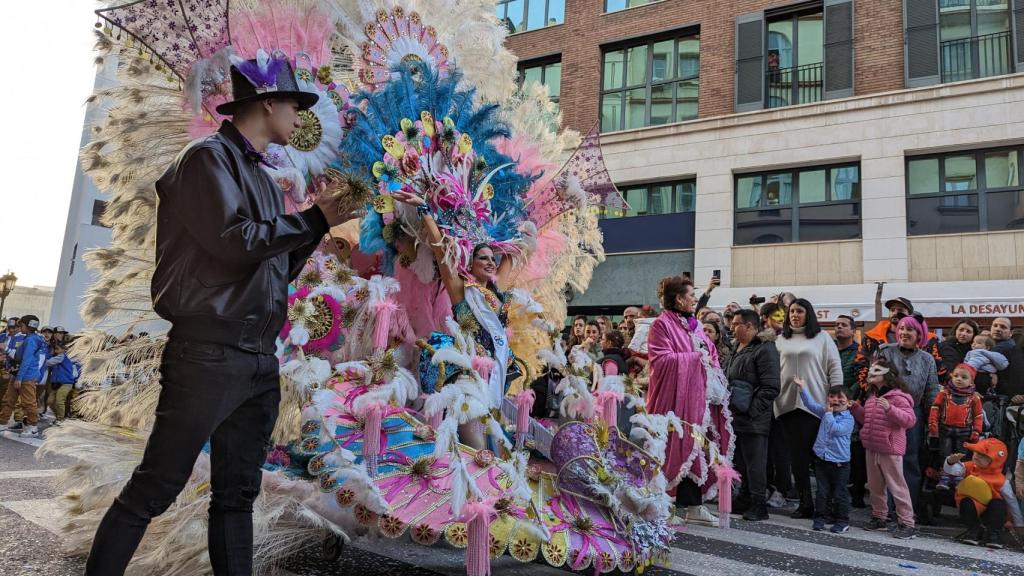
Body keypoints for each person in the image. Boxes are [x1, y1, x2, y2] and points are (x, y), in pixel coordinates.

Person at [85, 56, 351, 576]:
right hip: (207, 354)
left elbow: (272, 266)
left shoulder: (259, 174)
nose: (298, 118)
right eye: (294, 105)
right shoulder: (207, 159)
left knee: (237, 497)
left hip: (257, 360)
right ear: (267, 102)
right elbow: (234, 243)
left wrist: (317, 228)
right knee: (157, 485)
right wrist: (314, 218)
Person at [646, 275, 733, 526]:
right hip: (673, 400)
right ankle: (664, 501)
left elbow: (710, 350)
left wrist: (706, 357)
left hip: (698, 398)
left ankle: (693, 505)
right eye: (691, 296)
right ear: (679, 298)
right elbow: (661, 360)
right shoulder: (661, 325)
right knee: (675, 447)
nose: (695, 299)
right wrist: (695, 359)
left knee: (698, 449)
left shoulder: (692, 324)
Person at [775, 298, 843, 518]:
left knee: (821, 458)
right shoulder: (780, 340)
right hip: (786, 405)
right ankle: (805, 502)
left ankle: (828, 503)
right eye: (792, 311)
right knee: (797, 459)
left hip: (815, 404)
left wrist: (835, 398)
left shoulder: (822, 338)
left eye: (800, 311)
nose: (795, 315)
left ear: (809, 314)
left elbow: (834, 367)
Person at [870, 314, 940, 521]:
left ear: (920, 334)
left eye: (910, 330)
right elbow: (873, 379)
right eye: (901, 328)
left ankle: (907, 510)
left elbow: (932, 389)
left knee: (908, 461)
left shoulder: (927, 359)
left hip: (912, 413)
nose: (903, 333)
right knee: (883, 461)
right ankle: (884, 510)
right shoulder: (884, 351)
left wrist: (932, 420)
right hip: (884, 409)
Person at [850, 359, 918, 539]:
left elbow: (909, 421)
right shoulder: (872, 397)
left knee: (897, 486)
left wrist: (890, 409)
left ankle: (907, 522)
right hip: (872, 447)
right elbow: (868, 419)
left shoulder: (899, 397)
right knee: (874, 486)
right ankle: (879, 517)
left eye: (876, 370)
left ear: (888, 375)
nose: (871, 373)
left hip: (890, 449)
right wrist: (856, 408)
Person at [727, 309, 780, 521]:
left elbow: (771, 387)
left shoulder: (765, 349)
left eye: (736, 323)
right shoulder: (736, 347)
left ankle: (759, 503)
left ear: (749, 326)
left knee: (756, 462)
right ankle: (745, 497)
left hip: (753, 418)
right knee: (741, 460)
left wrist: (751, 411)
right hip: (736, 414)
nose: (731, 327)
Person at [795, 378, 854, 533]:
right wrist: (803, 388)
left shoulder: (848, 419)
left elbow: (836, 429)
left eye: (840, 398)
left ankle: (842, 520)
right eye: (832, 396)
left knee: (839, 493)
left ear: (849, 403)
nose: (835, 400)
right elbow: (811, 405)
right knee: (822, 492)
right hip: (822, 459)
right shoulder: (826, 412)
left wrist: (827, 414)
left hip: (840, 463)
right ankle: (820, 518)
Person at [944, 437, 1023, 548]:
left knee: (999, 504)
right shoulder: (970, 467)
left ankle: (994, 534)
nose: (976, 456)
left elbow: (1011, 501)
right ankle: (974, 530)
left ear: (995, 461)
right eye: (976, 452)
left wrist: (1019, 524)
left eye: (982, 455)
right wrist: (950, 461)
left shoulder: (1001, 480)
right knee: (965, 502)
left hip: (991, 511)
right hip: (973, 506)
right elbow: (952, 470)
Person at [929, 363, 985, 491]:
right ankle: (945, 477)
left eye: (964, 377)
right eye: (956, 376)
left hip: (964, 431)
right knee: (945, 453)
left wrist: (976, 431)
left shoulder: (974, 398)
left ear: (971, 381)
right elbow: (935, 408)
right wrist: (933, 423)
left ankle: (959, 477)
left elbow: (978, 416)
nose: (959, 379)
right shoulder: (944, 393)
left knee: (962, 455)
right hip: (945, 429)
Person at [0, 315, 46, 438]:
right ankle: (2, 422)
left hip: (26, 376)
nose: (19, 328)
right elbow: (19, 356)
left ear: (27, 326)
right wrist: (7, 350)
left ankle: (32, 427)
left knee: (28, 403)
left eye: (21, 325)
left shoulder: (31, 340)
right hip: (20, 374)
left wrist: (19, 378)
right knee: (8, 399)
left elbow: (26, 360)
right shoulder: (30, 338)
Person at [46, 340, 81, 423]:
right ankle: (59, 415)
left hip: (66, 383)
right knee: (50, 401)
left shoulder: (62, 356)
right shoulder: (59, 357)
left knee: (59, 400)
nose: (55, 350)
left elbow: (49, 362)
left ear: (63, 349)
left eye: (57, 349)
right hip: (56, 383)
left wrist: (37, 360)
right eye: (55, 349)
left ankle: (60, 419)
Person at [939, 320, 980, 387]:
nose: (964, 333)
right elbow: (950, 367)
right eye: (961, 330)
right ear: (955, 331)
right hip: (952, 386)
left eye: (968, 331)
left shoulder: (975, 349)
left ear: (974, 335)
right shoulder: (947, 346)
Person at [833, 315, 859, 392]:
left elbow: (860, 380)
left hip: (849, 399)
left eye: (844, 325)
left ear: (853, 331)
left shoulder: (860, 352)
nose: (839, 327)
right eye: (837, 325)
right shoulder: (828, 349)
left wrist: (848, 395)